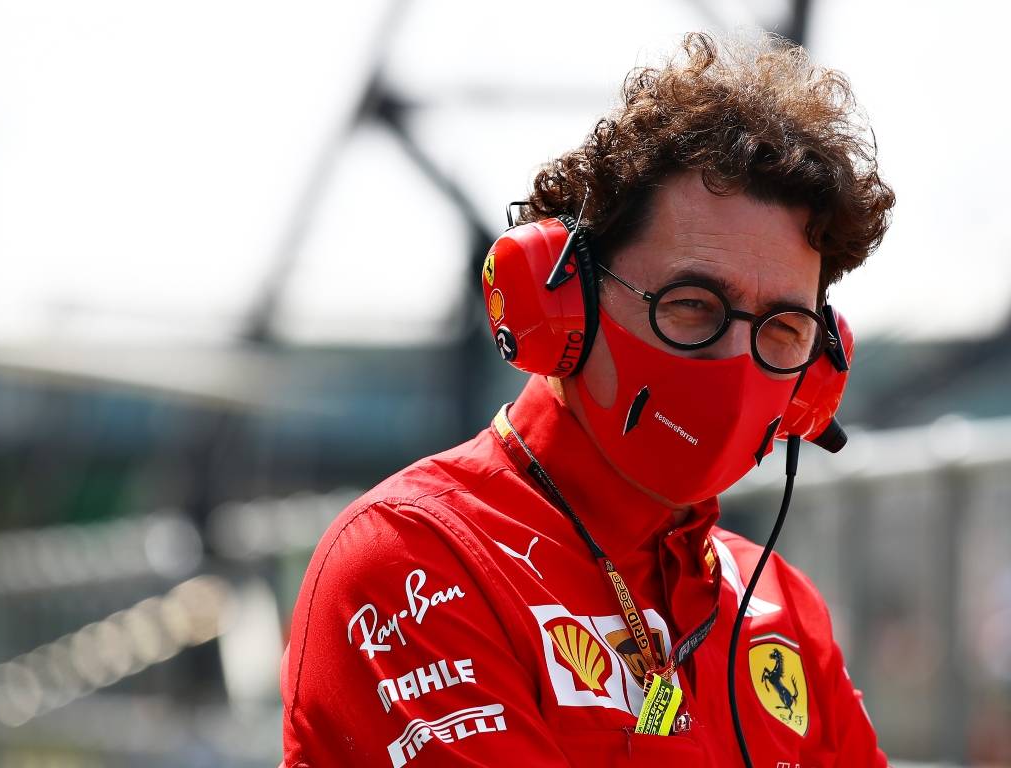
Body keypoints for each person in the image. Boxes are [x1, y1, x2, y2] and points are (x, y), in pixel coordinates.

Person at [281, 31, 894, 767]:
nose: (736, 364)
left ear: (819, 374)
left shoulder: (785, 611)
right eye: (692, 305)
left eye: (784, 329)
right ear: (569, 306)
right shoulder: (415, 562)